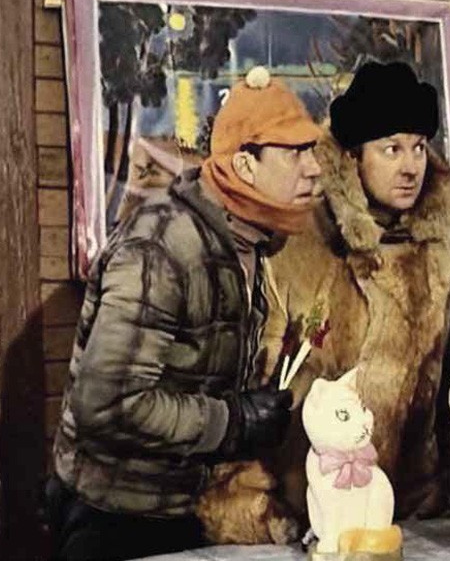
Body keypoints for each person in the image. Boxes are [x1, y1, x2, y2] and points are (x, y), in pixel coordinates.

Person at [45, 66, 323, 561]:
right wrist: (234, 421)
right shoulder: (161, 246)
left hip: (191, 511)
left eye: (312, 150)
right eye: (295, 152)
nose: (315, 168)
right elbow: (107, 404)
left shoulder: (250, 242)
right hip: (119, 517)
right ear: (245, 165)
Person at [202, 61, 450, 544]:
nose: (410, 166)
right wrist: (255, 503)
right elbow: (254, 377)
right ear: (353, 156)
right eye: (391, 148)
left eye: (419, 147)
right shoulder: (298, 241)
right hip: (308, 508)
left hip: (413, 509)